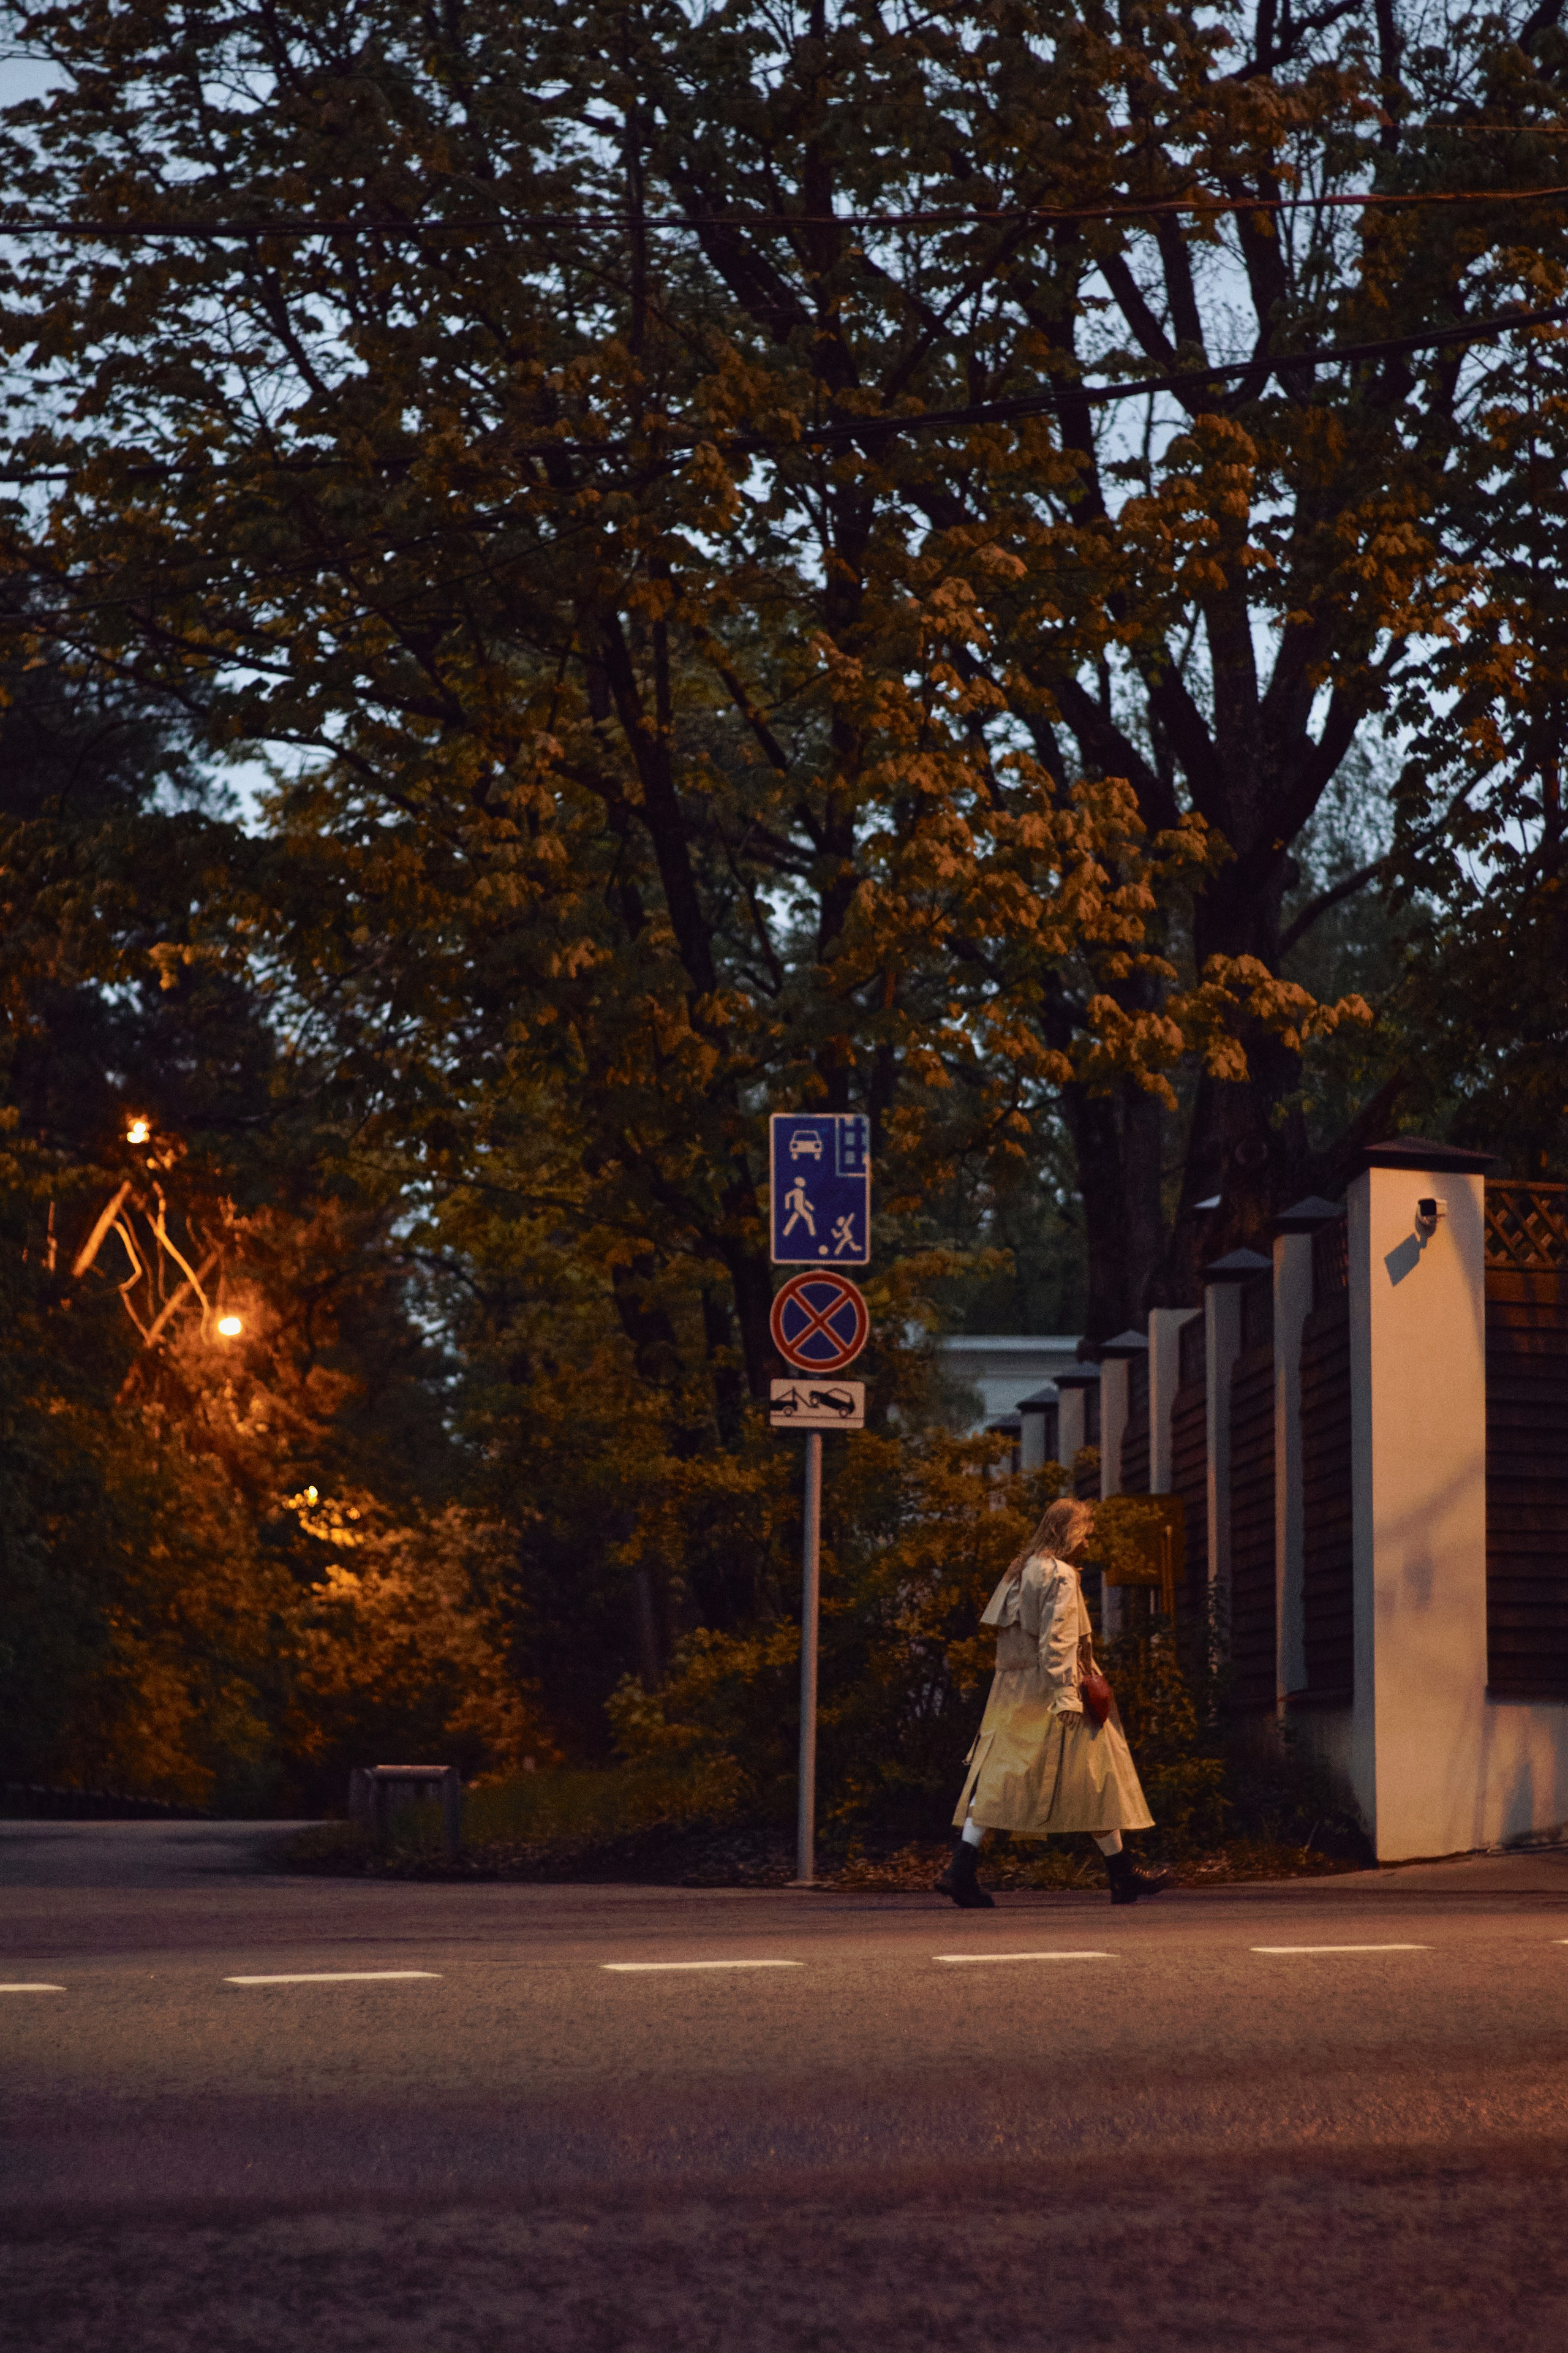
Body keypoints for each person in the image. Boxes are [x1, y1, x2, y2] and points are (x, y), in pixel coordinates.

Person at [937, 1495, 1173, 1909]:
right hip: (1055, 1690)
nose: (1087, 1543)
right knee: (1098, 1774)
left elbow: (1012, 1635)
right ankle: (1122, 1875)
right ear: (1068, 1532)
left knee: (1000, 1777)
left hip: (1014, 1691)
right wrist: (1067, 1695)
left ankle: (962, 1868)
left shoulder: (1022, 1568)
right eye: (1084, 1534)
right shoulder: (1061, 1575)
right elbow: (1058, 1640)